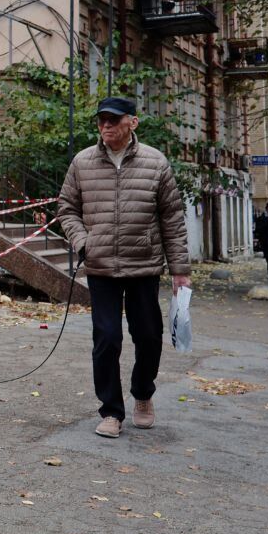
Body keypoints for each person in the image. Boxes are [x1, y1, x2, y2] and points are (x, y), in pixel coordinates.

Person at [58, 97, 191, 439]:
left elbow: (172, 219)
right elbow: (67, 207)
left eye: (113, 121)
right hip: (101, 266)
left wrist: (180, 270)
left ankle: (143, 394)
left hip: (143, 266)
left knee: (148, 336)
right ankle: (111, 411)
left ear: (133, 122)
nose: (106, 127)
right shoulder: (82, 162)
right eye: (101, 121)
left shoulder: (155, 163)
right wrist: (82, 242)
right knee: (107, 338)